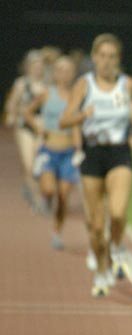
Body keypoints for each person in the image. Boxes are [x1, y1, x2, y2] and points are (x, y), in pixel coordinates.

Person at [60, 33, 132, 297]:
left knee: (117, 213)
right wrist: (83, 115)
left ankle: (115, 247)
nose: (106, 61)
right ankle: (102, 270)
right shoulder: (84, 85)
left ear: (118, 59)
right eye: (101, 56)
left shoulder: (128, 85)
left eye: (111, 56)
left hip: (119, 153)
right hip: (92, 154)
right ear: (94, 58)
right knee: (95, 224)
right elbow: (65, 120)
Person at [24, 55, 81, 250]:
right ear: (55, 73)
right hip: (49, 150)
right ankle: (46, 199)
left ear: (73, 74)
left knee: (64, 197)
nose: (65, 74)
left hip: (68, 152)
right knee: (49, 190)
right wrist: (38, 127)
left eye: (68, 70)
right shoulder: (47, 94)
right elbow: (28, 112)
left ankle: (57, 232)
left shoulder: (77, 95)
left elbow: (81, 121)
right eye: (61, 70)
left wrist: (80, 144)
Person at [3, 49, 47, 210]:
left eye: (40, 64)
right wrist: (12, 115)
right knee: (29, 163)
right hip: (25, 127)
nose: (38, 67)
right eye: (34, 64)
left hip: (42, 128)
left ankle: (36, 190)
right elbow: (11, 104)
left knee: (40, 164)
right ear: (28, 66)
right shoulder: (22, 84)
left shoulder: (48, 84)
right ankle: (37, 199)